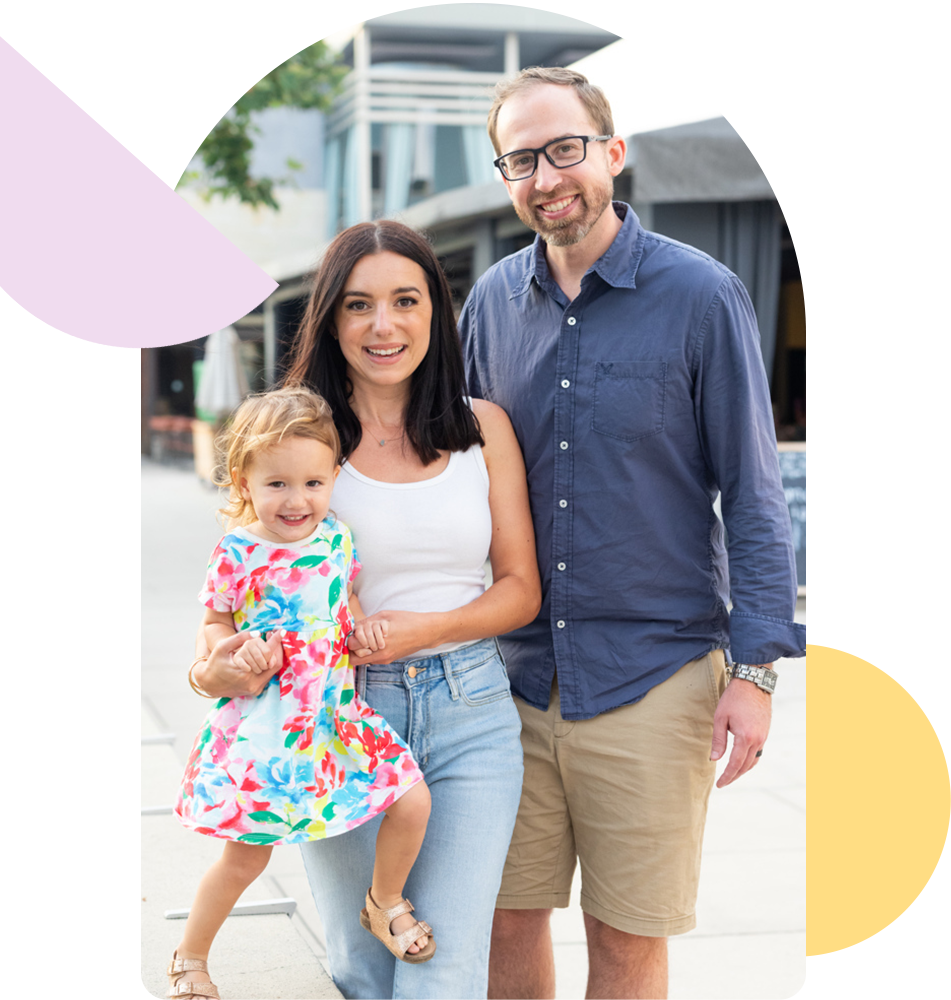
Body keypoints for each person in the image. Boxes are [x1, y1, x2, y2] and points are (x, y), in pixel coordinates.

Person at [456, 67, 807, 1000]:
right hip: (511, 679)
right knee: (502, 919)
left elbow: (754, 494)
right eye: (521, 159)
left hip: (653, 676)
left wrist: (757, 674)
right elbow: (456, 476)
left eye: (564, 148)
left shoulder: (703, 295)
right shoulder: (489, 302)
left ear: (612, 153)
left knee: (625, 936)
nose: (546, 177)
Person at [190, 219, 542, 1000]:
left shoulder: (483, 428)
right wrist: (216, 667)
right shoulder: (298, 440)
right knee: (362, 969)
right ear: (330, 318)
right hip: (333, 715)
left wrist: (426, 630)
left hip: (472, 712)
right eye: (359, 304)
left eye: (405, 301)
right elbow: (232, 593)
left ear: (434, 311)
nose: (384, 325)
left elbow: (520, 589)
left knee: (442, 969)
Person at [169, 386, 440, 1000]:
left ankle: (384, 900)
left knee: (412, 800)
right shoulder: (238, 551)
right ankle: (191, 955)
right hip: (268, 727)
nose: (297, 500)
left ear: (335, 477)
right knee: (246, 858)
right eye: (278, 484)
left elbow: (347, 602)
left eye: (313, 483)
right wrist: (231, 649)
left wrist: (363, 628)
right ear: (244, 482)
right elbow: (214, 622)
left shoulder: (337, 538)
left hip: (336, 718)